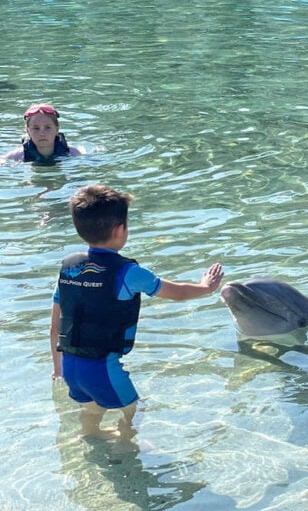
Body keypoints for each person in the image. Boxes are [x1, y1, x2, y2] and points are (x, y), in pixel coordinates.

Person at [50, 184, 224, 452]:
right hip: (102, 367)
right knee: (132, 407)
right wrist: (206, 287)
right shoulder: (128, 272)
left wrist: (57, 367)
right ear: (120, 230)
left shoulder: (69, 268)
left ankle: (90, 435)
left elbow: (55, 326)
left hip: (71, 365)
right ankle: (126, 444)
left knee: (93, 409)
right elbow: (176, 293)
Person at [2, 103, 84, 163]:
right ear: (28, 130)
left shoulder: (72, 153)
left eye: (48, 128)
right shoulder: (18, 155)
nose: (42, 133)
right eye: (36, 128)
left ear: (57, 129)